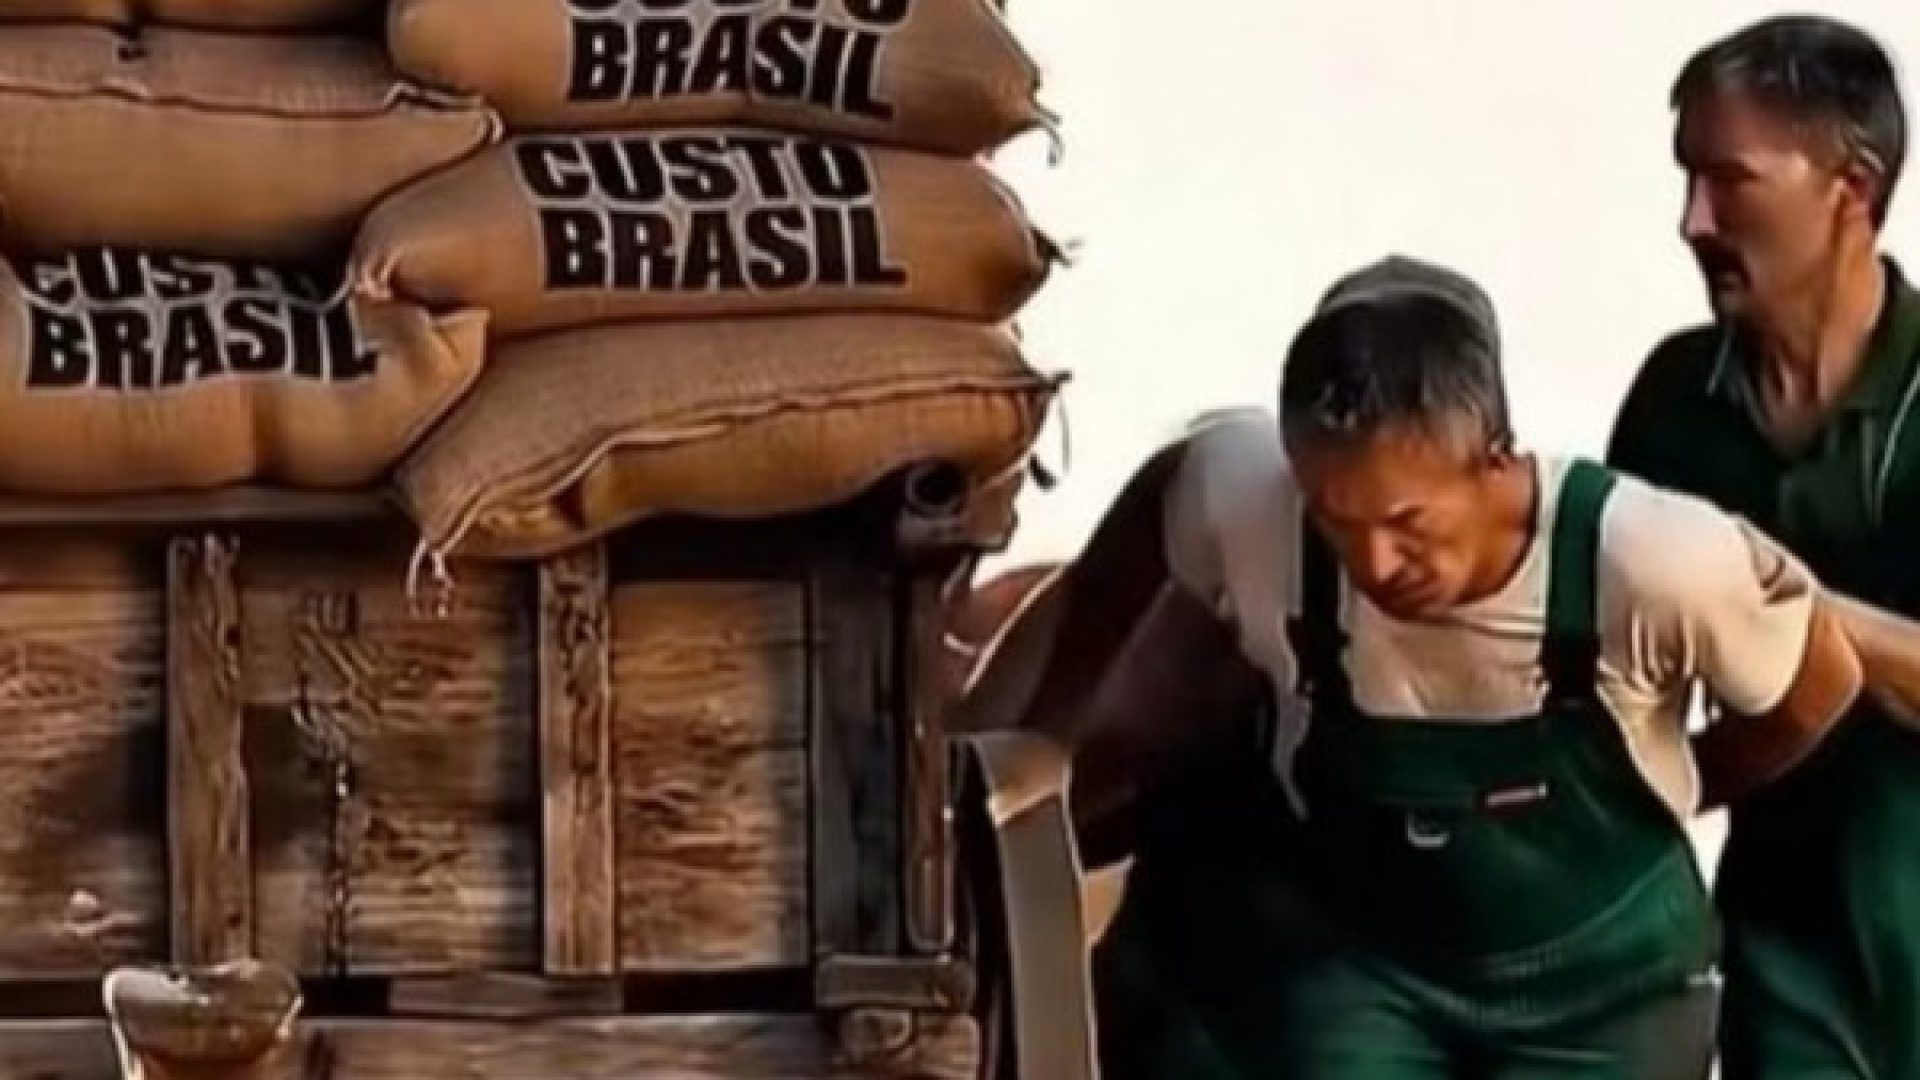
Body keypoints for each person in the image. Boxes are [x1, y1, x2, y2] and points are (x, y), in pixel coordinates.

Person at [964, 252, 1869, 1078]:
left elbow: (1820, 679)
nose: (1375, 563)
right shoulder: (1246, 494)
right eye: (1337, 521)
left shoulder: (1650, 558)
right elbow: (1121, 557)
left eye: (1409, 524)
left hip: (1608, 989)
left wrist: (1682, 785)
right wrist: (1041, 736)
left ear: (1498, 461)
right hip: (1373, 967)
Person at [1607, 16, 1920, 1078]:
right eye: (1686, 176)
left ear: (1852, 189)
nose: (1692, 221)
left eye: (1730, 180)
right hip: (1783, 965)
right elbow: (1624, 701)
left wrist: (1777, 603)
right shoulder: (1673, 404)